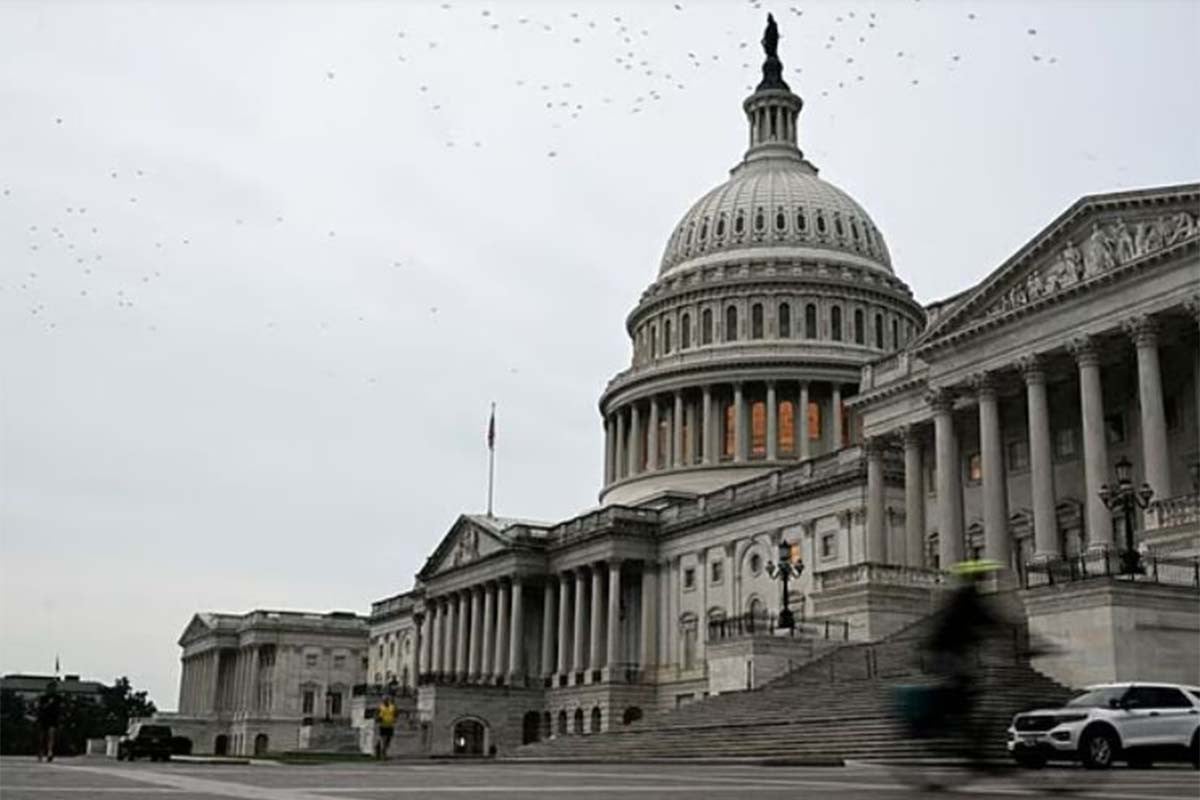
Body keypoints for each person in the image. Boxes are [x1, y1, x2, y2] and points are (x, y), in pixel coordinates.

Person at [36, 681, 63, 762]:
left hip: (53, 719)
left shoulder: (58, 698)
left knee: (51, 736)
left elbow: (61, 708)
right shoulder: (43, 698)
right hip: (44, 719)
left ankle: (49, 753)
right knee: (42, 738)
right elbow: (40, 708)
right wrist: (48, 703)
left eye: (54, 688)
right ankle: (40, 753)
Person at [375, 695, 397, 760]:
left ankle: (378, 747)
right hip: (383, 725)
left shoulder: (392, 707)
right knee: (384, 740)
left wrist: (395, 718)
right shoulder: (380, 707)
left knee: (388, 740)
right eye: (384, 700)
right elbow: (376, 715)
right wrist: (378, 719)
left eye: (387, 699)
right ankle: (383, 754)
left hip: (390, 725)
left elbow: (395, 714)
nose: (386, 701)